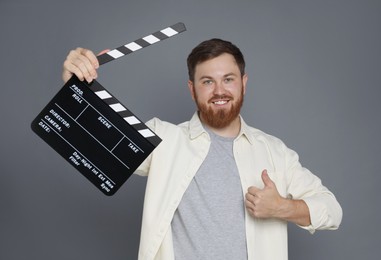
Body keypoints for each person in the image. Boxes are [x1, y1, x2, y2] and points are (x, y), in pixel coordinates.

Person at [62, 39, 342, 260]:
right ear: (192, 89)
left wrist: (283, 207)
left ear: (244, 84)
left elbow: (332, 210)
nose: (219, 90)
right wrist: (75, 85)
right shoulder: (164, 138)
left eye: (228, 79)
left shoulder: (274, 152)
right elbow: (97, 141)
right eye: (207, 81)